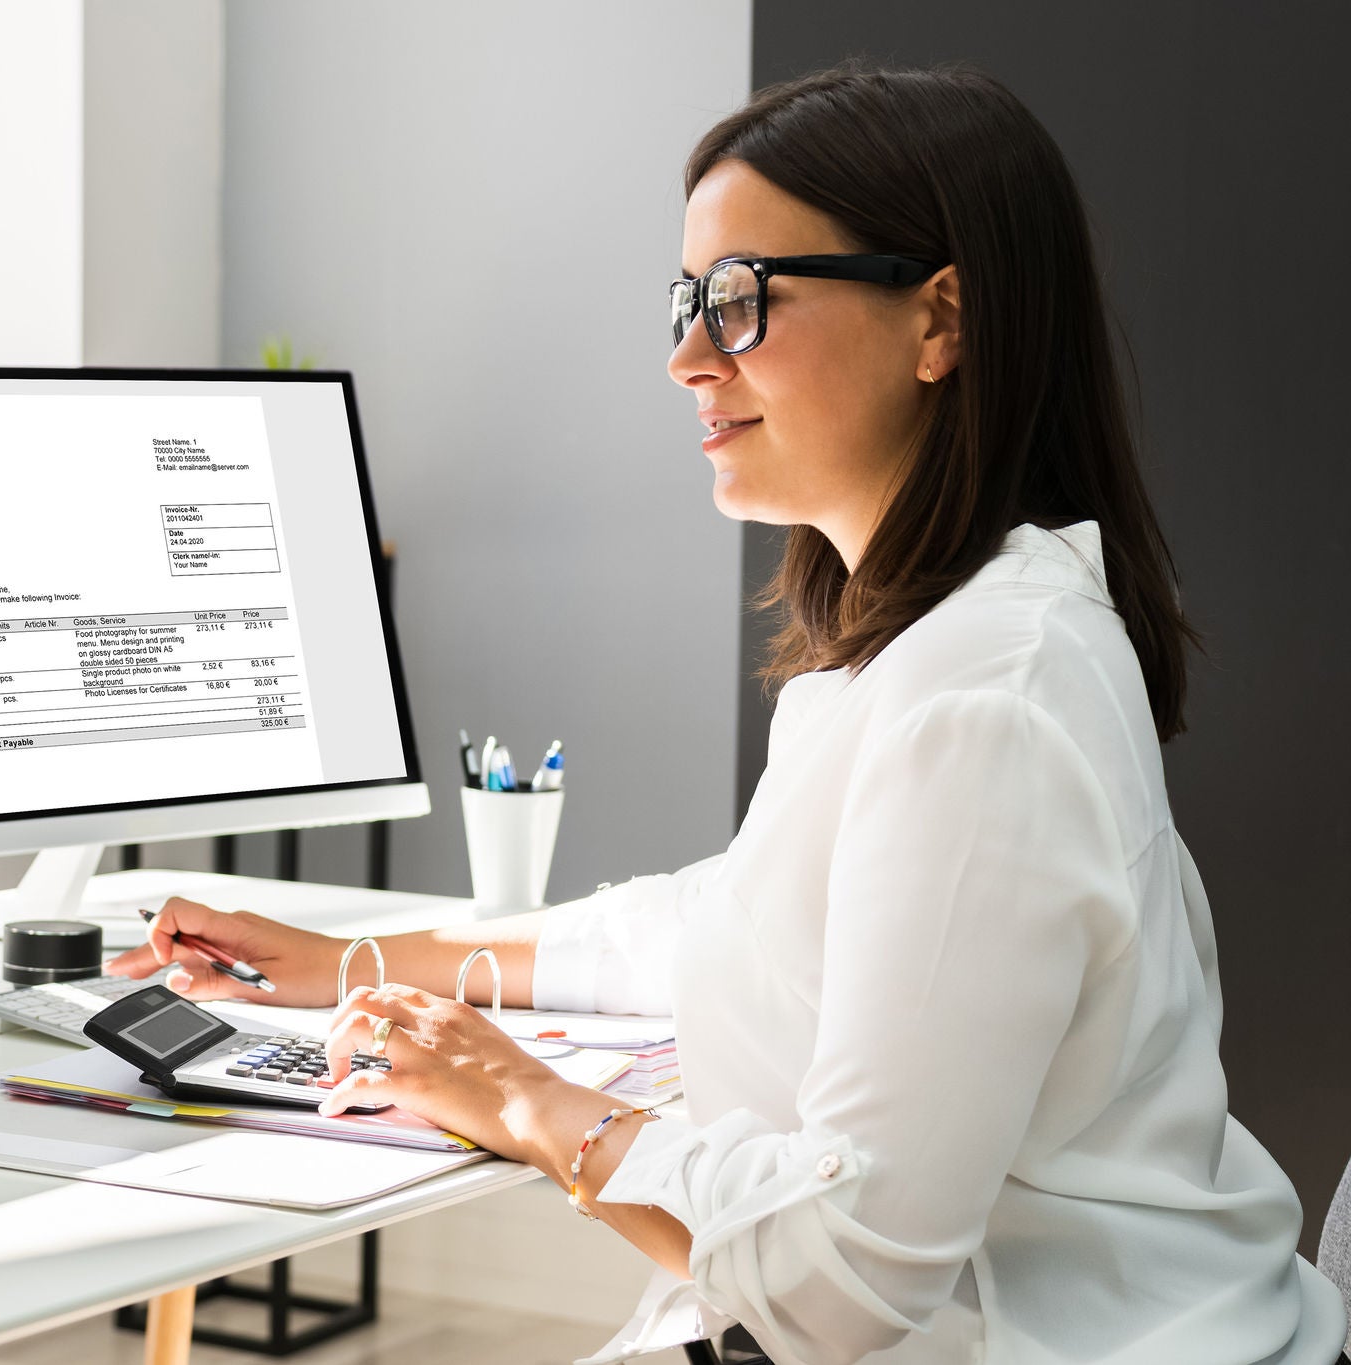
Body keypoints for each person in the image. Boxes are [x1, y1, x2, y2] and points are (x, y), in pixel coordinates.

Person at [105, 62, 1349, 1365]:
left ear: (940, 322)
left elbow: (842, 1276)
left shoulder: (987, 695)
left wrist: (529, 1103)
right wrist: (361, 960)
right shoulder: (940, 643)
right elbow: (726, 922)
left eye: (745, 301)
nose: (688, 357)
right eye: (687, 300)